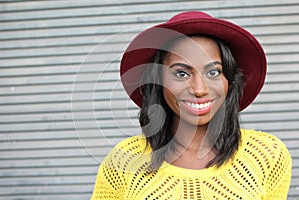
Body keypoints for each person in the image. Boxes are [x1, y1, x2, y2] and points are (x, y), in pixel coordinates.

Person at [91, 11, 292, 199]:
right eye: (181, 73)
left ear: (229, 80)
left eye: (213, 72)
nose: (199, 89)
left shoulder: (267, 154)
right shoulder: (123, 161)